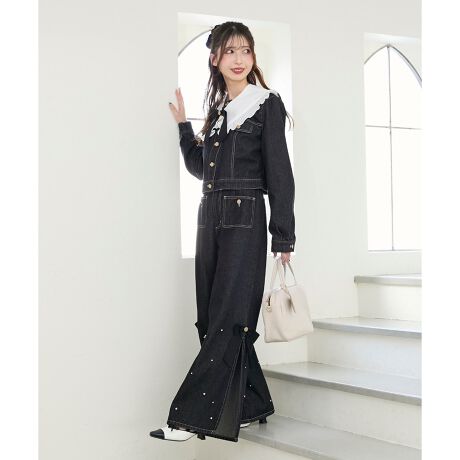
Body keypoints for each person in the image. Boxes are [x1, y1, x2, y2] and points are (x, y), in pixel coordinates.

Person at [150, 21, 296, 443]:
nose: (239, 59)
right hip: (209, 216)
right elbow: (201, 169)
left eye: (245, 51)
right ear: (214, 59)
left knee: (229, 317)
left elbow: (280, 172)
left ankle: (191, 420)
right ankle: (251, 404)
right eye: (230, 51)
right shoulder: (218, 113)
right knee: (212, 316)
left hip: (244, 219)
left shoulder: (265, 104)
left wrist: (283, 235)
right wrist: (184, 127)